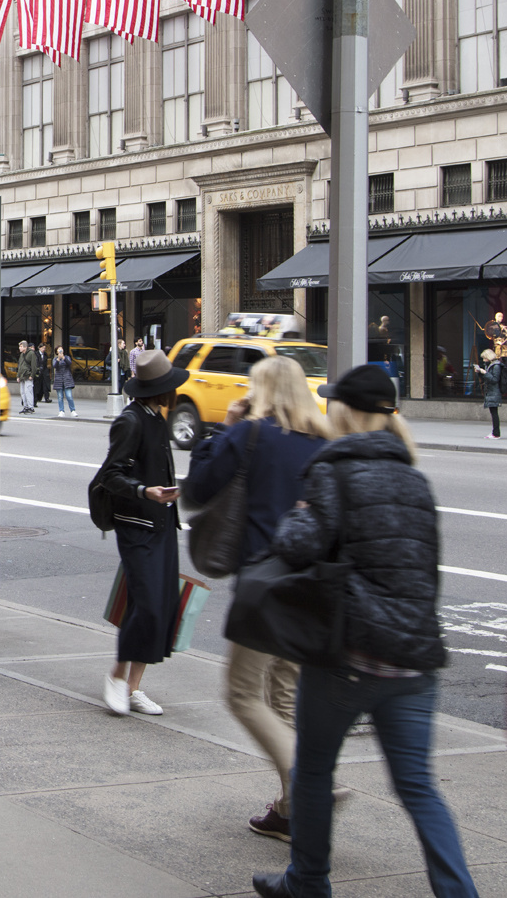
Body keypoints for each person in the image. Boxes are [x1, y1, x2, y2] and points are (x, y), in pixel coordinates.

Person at [252, 365, 477, 898]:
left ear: (346, 411)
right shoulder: (415, 478)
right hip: (414, 660)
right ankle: (458, 892)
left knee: (312, 771)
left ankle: (308, 880)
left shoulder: (333, 471)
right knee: (419, 787)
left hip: (347, 656)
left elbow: (297, 545)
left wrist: (298, 515)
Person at [181, 356, 330, 844]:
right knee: (284, 693)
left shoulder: (251, 433)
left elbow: (199, 488)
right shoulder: (325, 442)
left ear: (259, 391)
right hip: (314, 586)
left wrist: (220, 430)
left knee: (242, 693)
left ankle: (312, 789)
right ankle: (291, 809)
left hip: (266, 586)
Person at [92, 347, 186, 716]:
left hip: (160, 521)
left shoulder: (155, 417)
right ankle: (117, 677)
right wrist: (144, 491)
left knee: (159, 604)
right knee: (146, 605)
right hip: (137, 526)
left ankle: (132, 687)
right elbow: (111, 475)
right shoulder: (131, 421)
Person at [473, 348, 506, 439]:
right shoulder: (491, 365)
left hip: (494, 392)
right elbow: (487, 378)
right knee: (493, 412)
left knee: (494, 413)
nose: (484, 360)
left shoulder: (496, 366)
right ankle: (495, 433)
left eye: (485, 358)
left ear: (489, 357)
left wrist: (485, 373)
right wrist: (480, 373)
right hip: (491, 392)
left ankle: (496, 433)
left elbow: (494, 379)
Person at [15, 340, 38, 414]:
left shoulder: (31, 354)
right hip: (22, 376)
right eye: (19, 346)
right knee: (23, 392)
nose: (19, 348)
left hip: (28, 375)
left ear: (25, 347)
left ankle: (30, 407)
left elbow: (34, 365)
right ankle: (25, 406)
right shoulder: (22, 355)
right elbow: (20, 366)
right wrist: (18, 376)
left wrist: (32, 375)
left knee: (28, 391)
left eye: (21, 346)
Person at [53, 346, 77, 416]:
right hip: (59, 379)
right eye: (59, 349)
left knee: (69, 396)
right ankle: (61, 410)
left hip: (67, 379)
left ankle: (72, 410)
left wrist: (63, 357)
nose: (60, 350)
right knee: (60, 396)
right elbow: (55, 366)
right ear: (56, 352)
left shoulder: (67, 357)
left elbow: (69, 363)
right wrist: (58, 359)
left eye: (61, 349)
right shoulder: (55, 359)